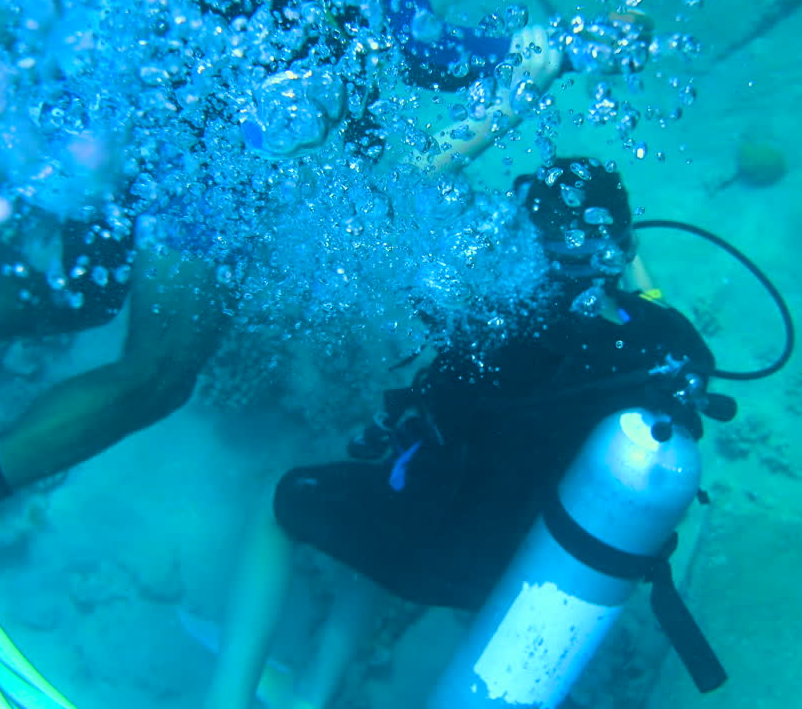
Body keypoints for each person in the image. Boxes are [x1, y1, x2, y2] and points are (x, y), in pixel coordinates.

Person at [0, 0, 573, 707]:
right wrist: (531, 56)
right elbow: (427, 53)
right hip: (197, 130)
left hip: (122, 74)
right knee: (158, 373)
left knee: (85, 288)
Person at [203, 156, 726, 709]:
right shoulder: (668, 352)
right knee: (393, 507)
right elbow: (655, 314)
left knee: (286, 506)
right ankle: (314, 691)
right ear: (621, 243)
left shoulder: (492, 318)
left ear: (530, 243)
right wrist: (622, 254)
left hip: (425, 548)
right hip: (525, 581)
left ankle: (227, 701)